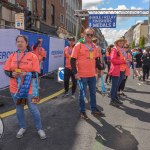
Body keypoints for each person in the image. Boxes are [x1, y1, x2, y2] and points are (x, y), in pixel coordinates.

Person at [3, 35, 46, 139]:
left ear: (26, 43)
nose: (20, 43)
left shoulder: (32, 56)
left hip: (30, 88)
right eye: (18, 41)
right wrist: (11, 74)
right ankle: (22, 127)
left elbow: (36, 73)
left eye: (22, 41)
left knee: (33, 108)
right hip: (16, 89)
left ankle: (39, 128)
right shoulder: (13, 55)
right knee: (19, 108)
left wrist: (26, 74)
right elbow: (6, 70)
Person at [71, 28, 105, 120]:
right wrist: (75, 73)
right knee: (82, 94)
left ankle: (94, 109)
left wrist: (100, 67)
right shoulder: (79, 45)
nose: (89, 36)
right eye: (88, 34)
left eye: (91, 35)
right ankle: (82, 111)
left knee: (93, 93)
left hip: (92, 74)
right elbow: (72, 60)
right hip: (82, 75)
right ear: (83, 35)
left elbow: (96, 59)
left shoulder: (94, 46)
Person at [109, 37, 128, 107]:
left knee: (117, 85)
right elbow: (113, 60)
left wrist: (126, 61)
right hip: (117, 70)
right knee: (114, 85)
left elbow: (124, 59)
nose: (121, 43)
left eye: (122, 42)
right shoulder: (115, 49)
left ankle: (115, 97)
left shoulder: (122, 49)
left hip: (122, 69)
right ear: (117, 42)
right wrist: (124, 61)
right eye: (119, 42)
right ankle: (112, 100)